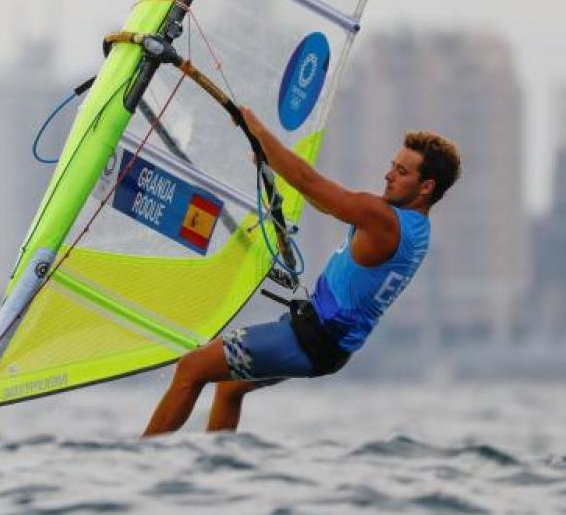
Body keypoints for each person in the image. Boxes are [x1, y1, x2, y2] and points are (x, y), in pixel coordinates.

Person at [142, 106, 461, 436]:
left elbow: (310, 182)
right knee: (230, 385)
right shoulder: (417, 229)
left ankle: (147, 456)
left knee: (192, 367)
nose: (388, 175)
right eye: (392, 166)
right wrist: (274, 164)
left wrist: (259, 132)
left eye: (402, 172)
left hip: (307, 339)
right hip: (327, 347)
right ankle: (218, 459)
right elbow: (324, 200)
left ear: (426, 187)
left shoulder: (383, 220)